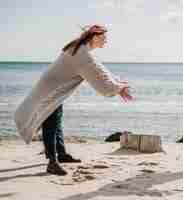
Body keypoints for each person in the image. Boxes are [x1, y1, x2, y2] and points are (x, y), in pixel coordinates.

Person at [14, 24, 133, 175]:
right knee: (50, 122)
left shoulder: (81, 49)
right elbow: (98, 77)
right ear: (95, 37)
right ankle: (52, 161)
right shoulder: (82, 54)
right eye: (104, 38)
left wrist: (117, 84)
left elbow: (99, 69)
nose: (106, 41)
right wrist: (117, 88)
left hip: (53, 87)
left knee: (56, 119)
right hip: (51, 90)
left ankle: (62, 154)